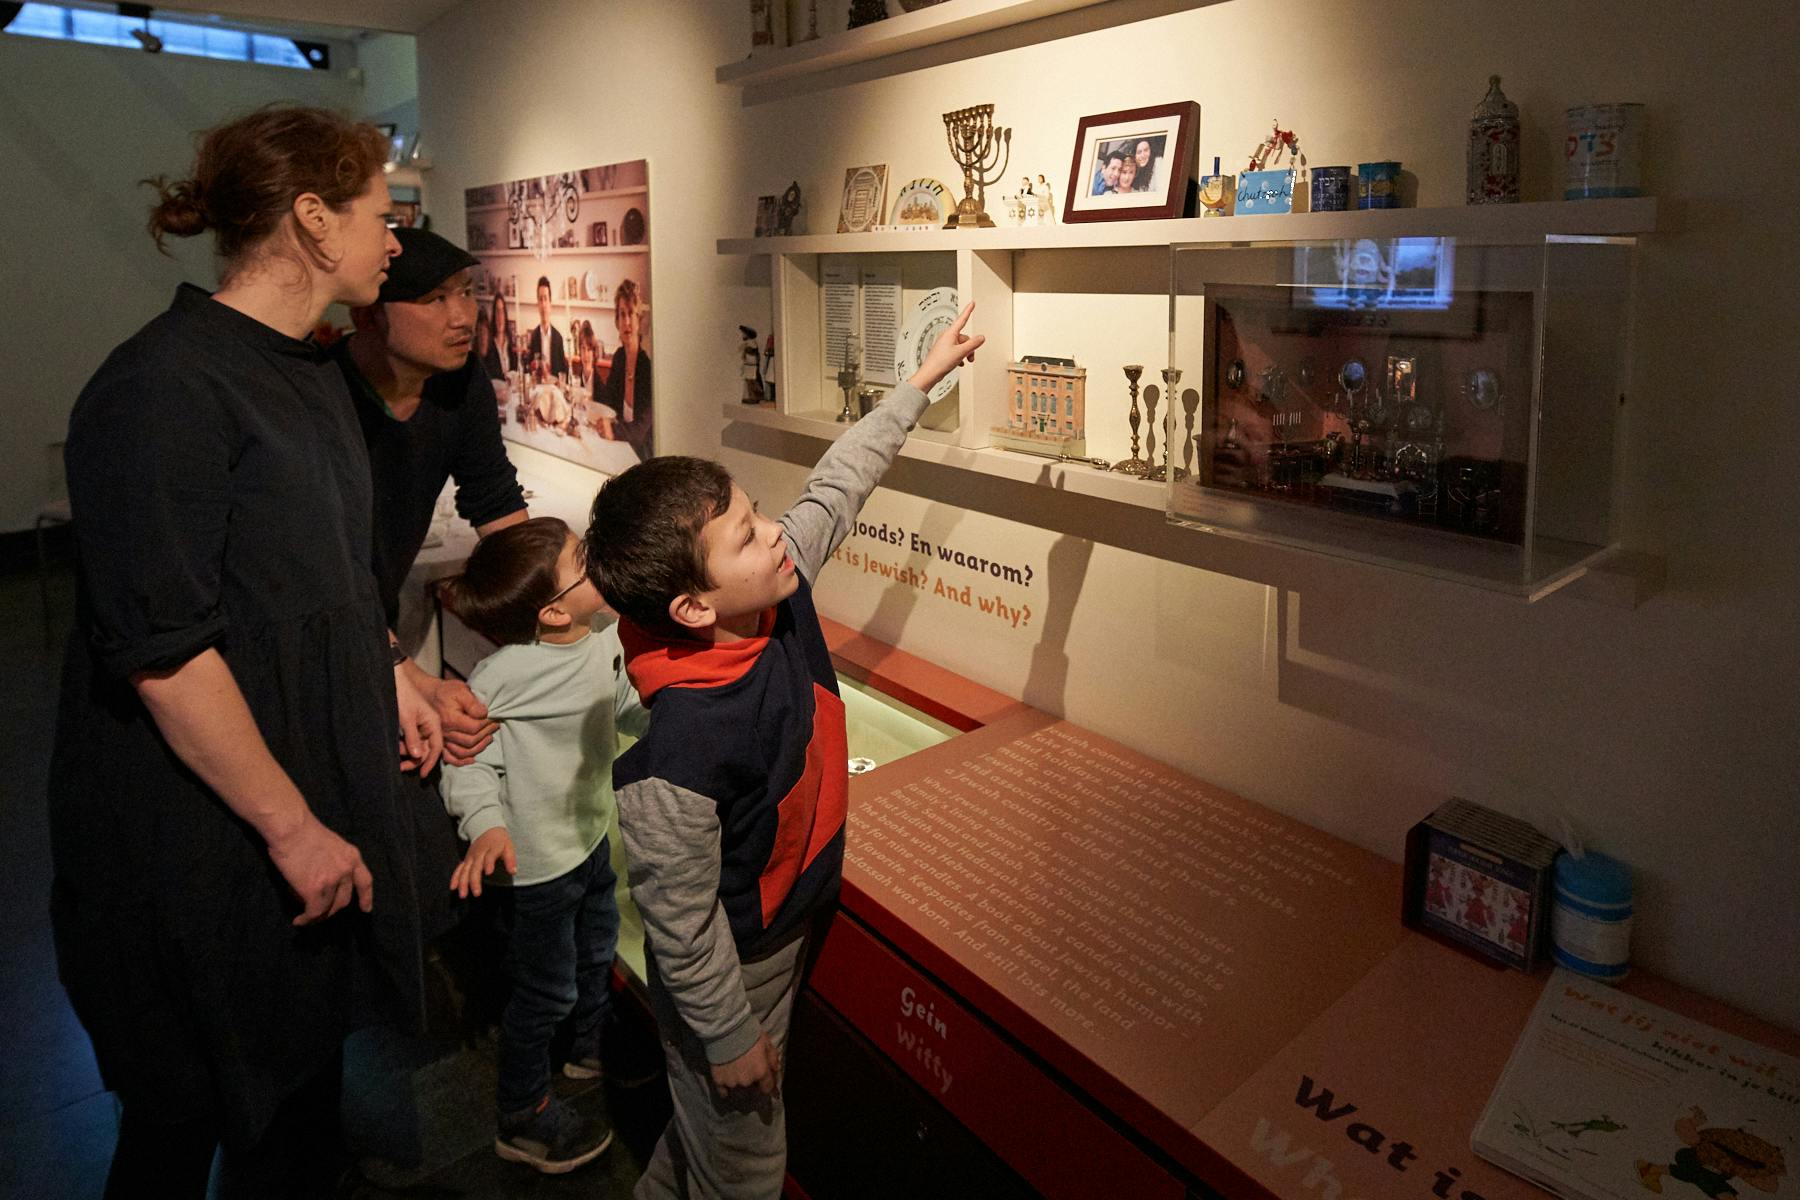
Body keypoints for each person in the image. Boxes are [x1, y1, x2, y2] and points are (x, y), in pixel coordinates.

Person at [50, 104, 451, 1199]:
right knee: (185, 1120)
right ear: (314, 219)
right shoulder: (161, 389)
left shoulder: (314, 372)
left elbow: (316, 574)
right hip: (202, 839)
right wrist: (293, 829)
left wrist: (392, 668)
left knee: (295, 1108)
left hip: (299, 802)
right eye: (384, 214)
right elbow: (164, 655)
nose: (398, 240)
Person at [583, 303, 984, 1200]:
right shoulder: (676, 756)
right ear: (691, 607)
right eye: (748, 535)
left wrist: (918, 386)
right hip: (740, 962)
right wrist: (726, 1037)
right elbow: (680, 928)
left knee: (696, 1151)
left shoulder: (770, 592)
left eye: (758, 515)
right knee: (745, 1170)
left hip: (783, 923)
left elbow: (837, 486)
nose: (777, 533)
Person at [439, 517, 647, 1175]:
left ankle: (586, 1055)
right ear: (554, 611)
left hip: (585, 839)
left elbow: (625, 710)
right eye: (584, 557)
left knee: (594, 952)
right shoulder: (501, 677)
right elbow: (466, 760)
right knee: (544, 993)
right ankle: (521, 1115)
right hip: (531, 867)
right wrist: (486, 827)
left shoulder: (603, 639)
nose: (599, 558)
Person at [334, 225, 529, 767]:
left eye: (466, 291)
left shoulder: (461, 382)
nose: (463, 316)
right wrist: (415, 679)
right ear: (368, 314)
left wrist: (550, 605)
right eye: (433, 299)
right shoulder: (327, 395)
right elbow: (324, 569)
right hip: (331, 625)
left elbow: (494, 499)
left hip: (381, 616)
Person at [599, 278, 652, 461]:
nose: (626, 321)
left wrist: (612, 430)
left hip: (643, 459)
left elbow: (640, 431)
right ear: (616, 321)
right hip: (619, 450)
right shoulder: (619, 358)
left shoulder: (648, 368)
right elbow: (608, 403)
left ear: (639, 320)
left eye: (631, 314)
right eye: (622, 314)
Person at [527, 275, 569, 377]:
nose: (543, 304)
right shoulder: (533, 336)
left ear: (550, 304)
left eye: (545, 298)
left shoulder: (558, 338)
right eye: (540, 299)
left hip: (554, 390)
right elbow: (528, 369)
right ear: (537, 304)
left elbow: (564, 371)